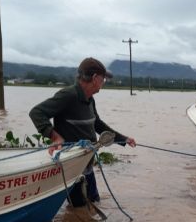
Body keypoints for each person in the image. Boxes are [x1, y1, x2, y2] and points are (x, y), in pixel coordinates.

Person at [29, 57, 136, 207]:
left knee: (94, 204)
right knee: (79, 211)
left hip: (86, 165)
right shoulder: (68, 95)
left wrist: (123, 139)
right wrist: (55, 137)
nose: (104, 83)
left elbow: (98, 124)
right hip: (72, 168)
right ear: (94, 78)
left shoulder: (90, 99)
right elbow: (36, 113)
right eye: (103, 79)